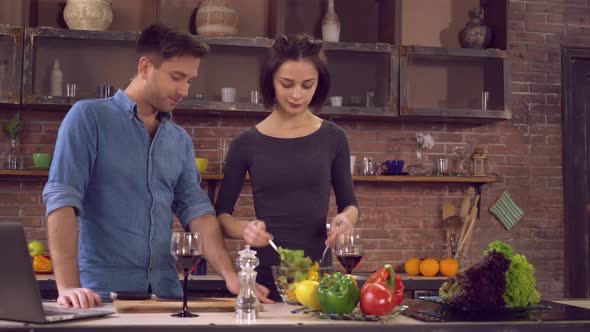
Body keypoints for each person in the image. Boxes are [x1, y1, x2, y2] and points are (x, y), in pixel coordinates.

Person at [42, 24, 272, 308]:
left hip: (166, 297)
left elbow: (198, 212)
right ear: (145, 67)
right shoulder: (89, 118)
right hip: (99, 299)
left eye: (190, 80)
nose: (184, 89)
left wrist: (231, 275)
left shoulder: (179, 140)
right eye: (177, 77)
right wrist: (67, 287)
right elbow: (62, 199)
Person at [214, 34, 359, 301]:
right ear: (271, 81)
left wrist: (345, 221)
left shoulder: (334, 137)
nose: (296, 95)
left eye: (307, 85)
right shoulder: (246, 142)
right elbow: (222, 216)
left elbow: (350, 205)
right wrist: (244, 229)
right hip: (264, 284)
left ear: (320, 84)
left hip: (319, 280)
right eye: (287, 84)